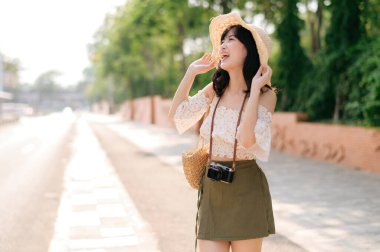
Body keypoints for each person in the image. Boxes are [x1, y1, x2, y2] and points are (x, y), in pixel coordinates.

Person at [168, 12, 277, 252]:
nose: (223, 45)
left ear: (248, 50)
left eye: (231, 40)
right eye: (223, 40)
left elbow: (247, 139)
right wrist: (190, 73)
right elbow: (178, 117)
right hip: (213, 188)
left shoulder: (266, 95)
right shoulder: (215, 88)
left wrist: (256, 90)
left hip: (246, 188)